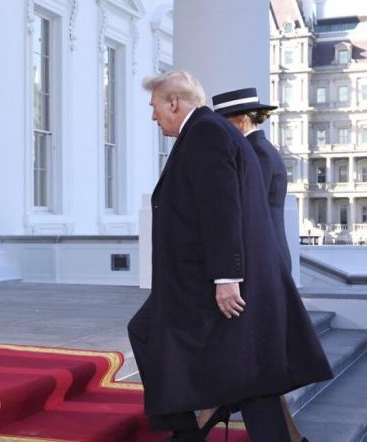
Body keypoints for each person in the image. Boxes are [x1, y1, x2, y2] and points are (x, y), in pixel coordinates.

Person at [127, 71, 332, 442]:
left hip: (208, 281)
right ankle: (188, 426)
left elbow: (222, 209)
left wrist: (226, 277)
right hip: (203, 278)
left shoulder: (206, 133)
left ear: (173, 103)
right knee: (246, 371)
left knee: (248, 375)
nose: (153, 116)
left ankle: (189, 429)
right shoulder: (210, 133)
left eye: (154, 107)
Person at [208, 87, 306, 442]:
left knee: (260, 362)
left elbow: (246, 218)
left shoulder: (255, 154)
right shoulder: (259, 150)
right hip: (264, 264)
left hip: (259, 269)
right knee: (262, 363)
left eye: (224, 123)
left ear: (243, 119)